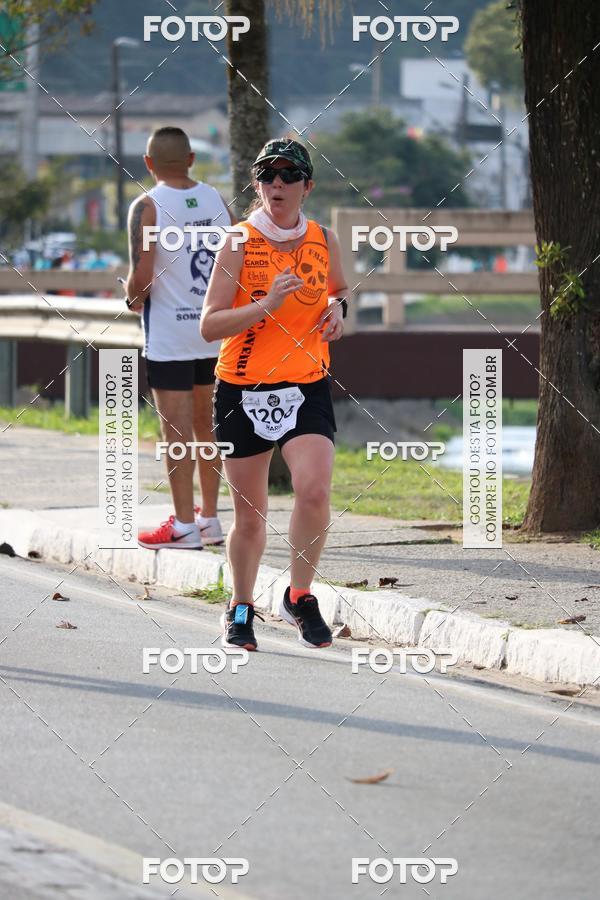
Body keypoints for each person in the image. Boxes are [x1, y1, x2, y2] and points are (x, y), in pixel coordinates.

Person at [201, 138, 348, 651]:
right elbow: (210, 325)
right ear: (257, 184)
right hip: (243, 388)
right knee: (251, 514)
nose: (277, 184)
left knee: (314, 491)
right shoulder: (238, 243)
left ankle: (299, 595)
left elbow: (341, 289)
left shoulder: (323, 238)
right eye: (267, 175)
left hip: (306, 384)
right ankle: (240, 605)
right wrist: (265, 304)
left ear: (308, 185)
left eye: (289, 176)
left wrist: (338, 311)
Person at [126, 126, 230, 550]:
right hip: (213, 333)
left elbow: (141, 281)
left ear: (149, 164)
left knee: (176, 433)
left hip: (169, 337)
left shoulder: (146, 206)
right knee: (208, 427)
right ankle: (210, 518)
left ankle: (184, 526)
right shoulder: (217, 201)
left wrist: (129, 294)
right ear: (191, 159)